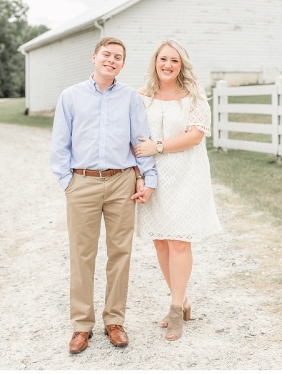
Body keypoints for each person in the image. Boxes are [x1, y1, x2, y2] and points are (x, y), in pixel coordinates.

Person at [51, 37, 157, 354]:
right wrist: (67, 182)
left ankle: (114, 321)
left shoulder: (129, 98)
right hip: (81, 183)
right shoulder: (70, 96)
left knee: (119, 254)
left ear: (123, 64)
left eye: (118, 57)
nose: (111, 60)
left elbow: (141, 140)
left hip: (121, 182)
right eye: (107, 55)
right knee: (82, 255)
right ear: (95, 57)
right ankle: (81, 326)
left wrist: (147, 178)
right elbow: (60, 145)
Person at [132, 39, 221, 341]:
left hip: (185, 174)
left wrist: (156, 146)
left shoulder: (193, 97)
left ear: (181, 65)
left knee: (180, 241)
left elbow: (194, 137)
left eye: (174, 61)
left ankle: (174, 310)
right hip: (154, 175)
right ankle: (181, 301)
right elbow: (133, 139)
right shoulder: (140, 97)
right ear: (155, 62)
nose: (167, 65)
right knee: (160, 242)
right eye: (163, 59)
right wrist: (139, 176)